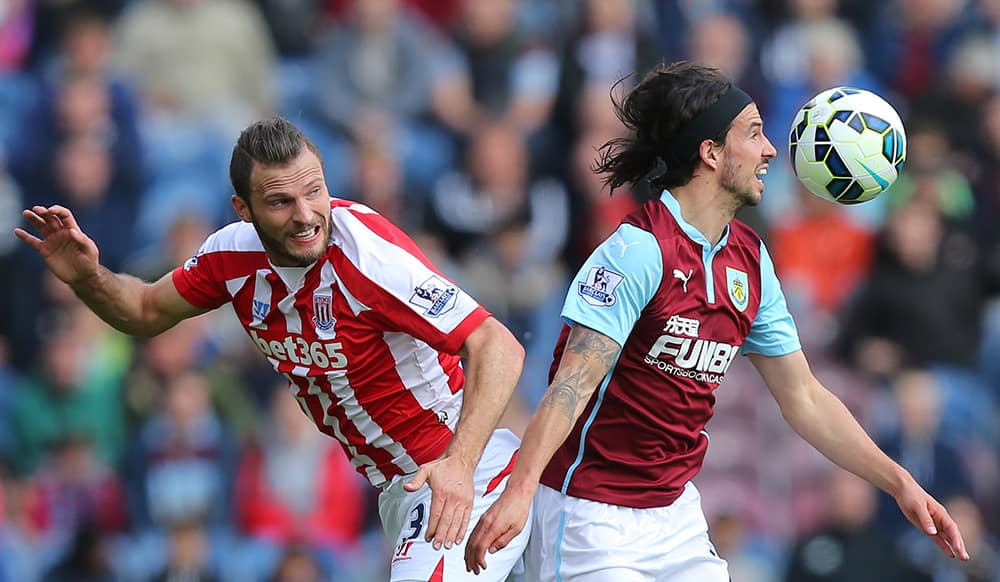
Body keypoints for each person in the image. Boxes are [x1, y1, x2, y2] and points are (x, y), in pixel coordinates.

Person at [464, 61, 970, 580]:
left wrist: (898, 481)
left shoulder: (750, 259)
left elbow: (806, 399)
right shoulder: (638, 251)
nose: (772, 149)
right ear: (710, 153)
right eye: (754, 134)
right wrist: (520, 492)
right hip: (589, 516)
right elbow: (569, 386)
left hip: (675, 515)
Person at [14, 116, 530, 581]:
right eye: (281, 202)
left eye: (315, 191)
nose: (306, 215)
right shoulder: (230, 257)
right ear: (244, 209)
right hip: (401, 488)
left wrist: (460, 467)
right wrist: (88, 278)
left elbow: (498, 345)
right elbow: (146, 310)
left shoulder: (368, 256)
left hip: (464, 469)